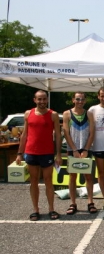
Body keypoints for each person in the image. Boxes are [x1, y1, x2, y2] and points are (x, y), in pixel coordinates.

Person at [16, 90, 62, 221]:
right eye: (39, 99)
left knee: (48, 181)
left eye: (44, 99)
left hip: (47, 152)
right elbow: (24, 135)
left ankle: (51, 209)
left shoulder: (53, 114)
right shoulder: (28, 113)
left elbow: (58, 136)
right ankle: (35, 210)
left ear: (47, 100)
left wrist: (58, 154)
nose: (42, 102)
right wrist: (19, 153)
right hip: (31, 152)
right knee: (34, 181)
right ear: (34, 100)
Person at [63, 92, 97, 215]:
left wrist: (86, 149)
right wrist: (75, 150)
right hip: (73, 150)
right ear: (73, 100)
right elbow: (66, 133)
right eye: (78, 99)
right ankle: (73, 203)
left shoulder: (89, 114)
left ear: (85, 101)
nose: (80, 101)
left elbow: (92, 133)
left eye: (82, 99)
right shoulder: (67, 114)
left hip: (86, 149)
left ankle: (90, 202)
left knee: (88, 177)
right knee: (72, 177)